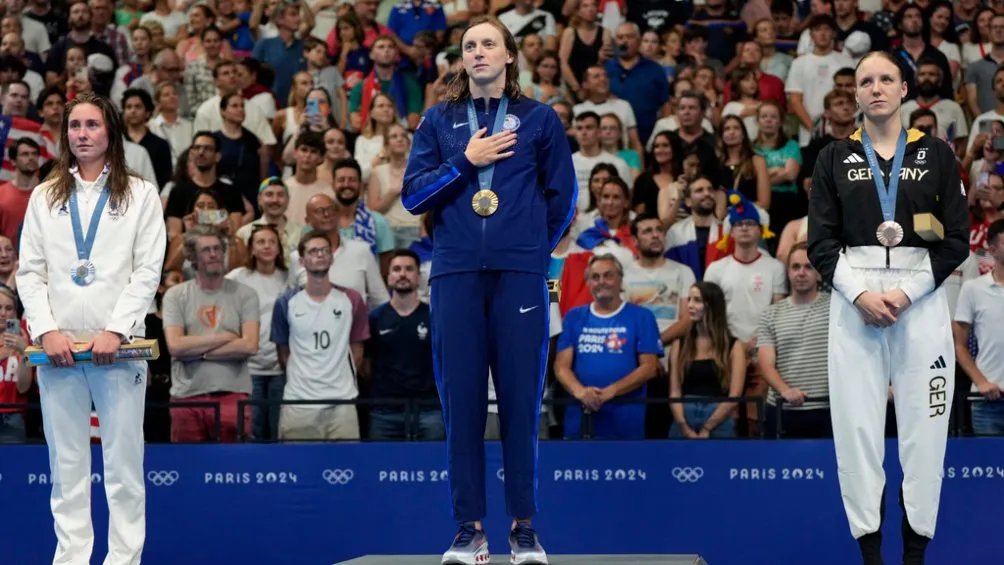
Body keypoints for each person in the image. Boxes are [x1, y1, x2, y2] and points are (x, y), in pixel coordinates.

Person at [401, 14, 577, 565]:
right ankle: (469, 529)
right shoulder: (438, 120)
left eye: (488, 44)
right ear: (462, 59)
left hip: (519, 276)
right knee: (462, 407)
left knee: (522, 405)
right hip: (455, 275)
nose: (477, 52)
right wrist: (465, 162)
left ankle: (524, 528)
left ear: (508, 56)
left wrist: (529, 253)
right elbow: (413, 197)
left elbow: (564, 198)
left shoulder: (539, 119)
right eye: (469, 45)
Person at [807, 51, 969, 565]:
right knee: (856, 431)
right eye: (865, 81)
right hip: (855, 302)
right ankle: (871, 556)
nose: (875, 88)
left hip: (918, 303)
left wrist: (904, 293)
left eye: (885, 79)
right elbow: (820, 244)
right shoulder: (833, 157)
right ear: (855, 94)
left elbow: (957, 240)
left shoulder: (937, 155)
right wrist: (859, 294)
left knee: (926, 432)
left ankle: (916, 554)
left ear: (904, 90)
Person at [15, 92, 167, 565]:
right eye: (75, 126)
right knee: (67, 467)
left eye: (92, 125)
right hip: (59, 350)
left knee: (124, 467)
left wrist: (117, 330)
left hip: (117, 350)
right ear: (65, 135)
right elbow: (30, 272)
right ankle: (71, 559)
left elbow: (147, 270)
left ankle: (124, 560)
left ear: (111, 131)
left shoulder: (139, 194)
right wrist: (45, 330)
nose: (82, 134)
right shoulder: (45, 196)